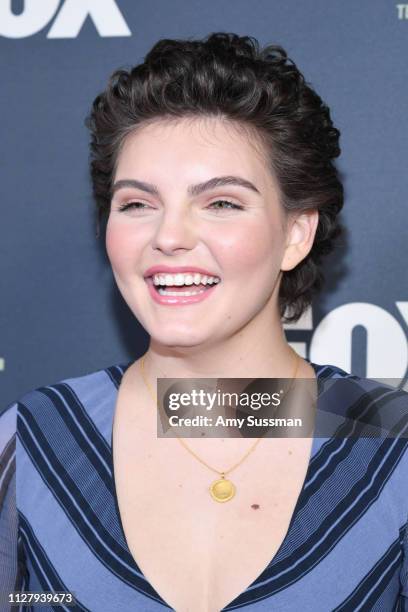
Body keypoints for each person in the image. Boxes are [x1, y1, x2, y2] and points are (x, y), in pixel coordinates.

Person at [0, 32, 407, 612]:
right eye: (137, 203)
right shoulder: (33, 441)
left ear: (296, 233)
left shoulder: (392, 442)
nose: (168, 237)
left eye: (221, 202)